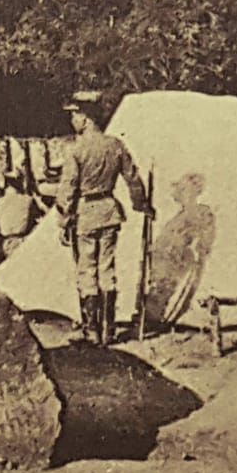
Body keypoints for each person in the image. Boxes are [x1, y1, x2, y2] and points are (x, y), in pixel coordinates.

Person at [56, 90, 151, 346]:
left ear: (85, 117)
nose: (73, 121)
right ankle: (109, 330)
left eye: (75, 115)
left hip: (85, 215)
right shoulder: (115, 145)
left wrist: (64, 220)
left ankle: (91, 331)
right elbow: (133, 178)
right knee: (107, 269)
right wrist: (141, 204)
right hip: (109, 211)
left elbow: (67, 189)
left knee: (86, 270)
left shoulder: (75, 150)